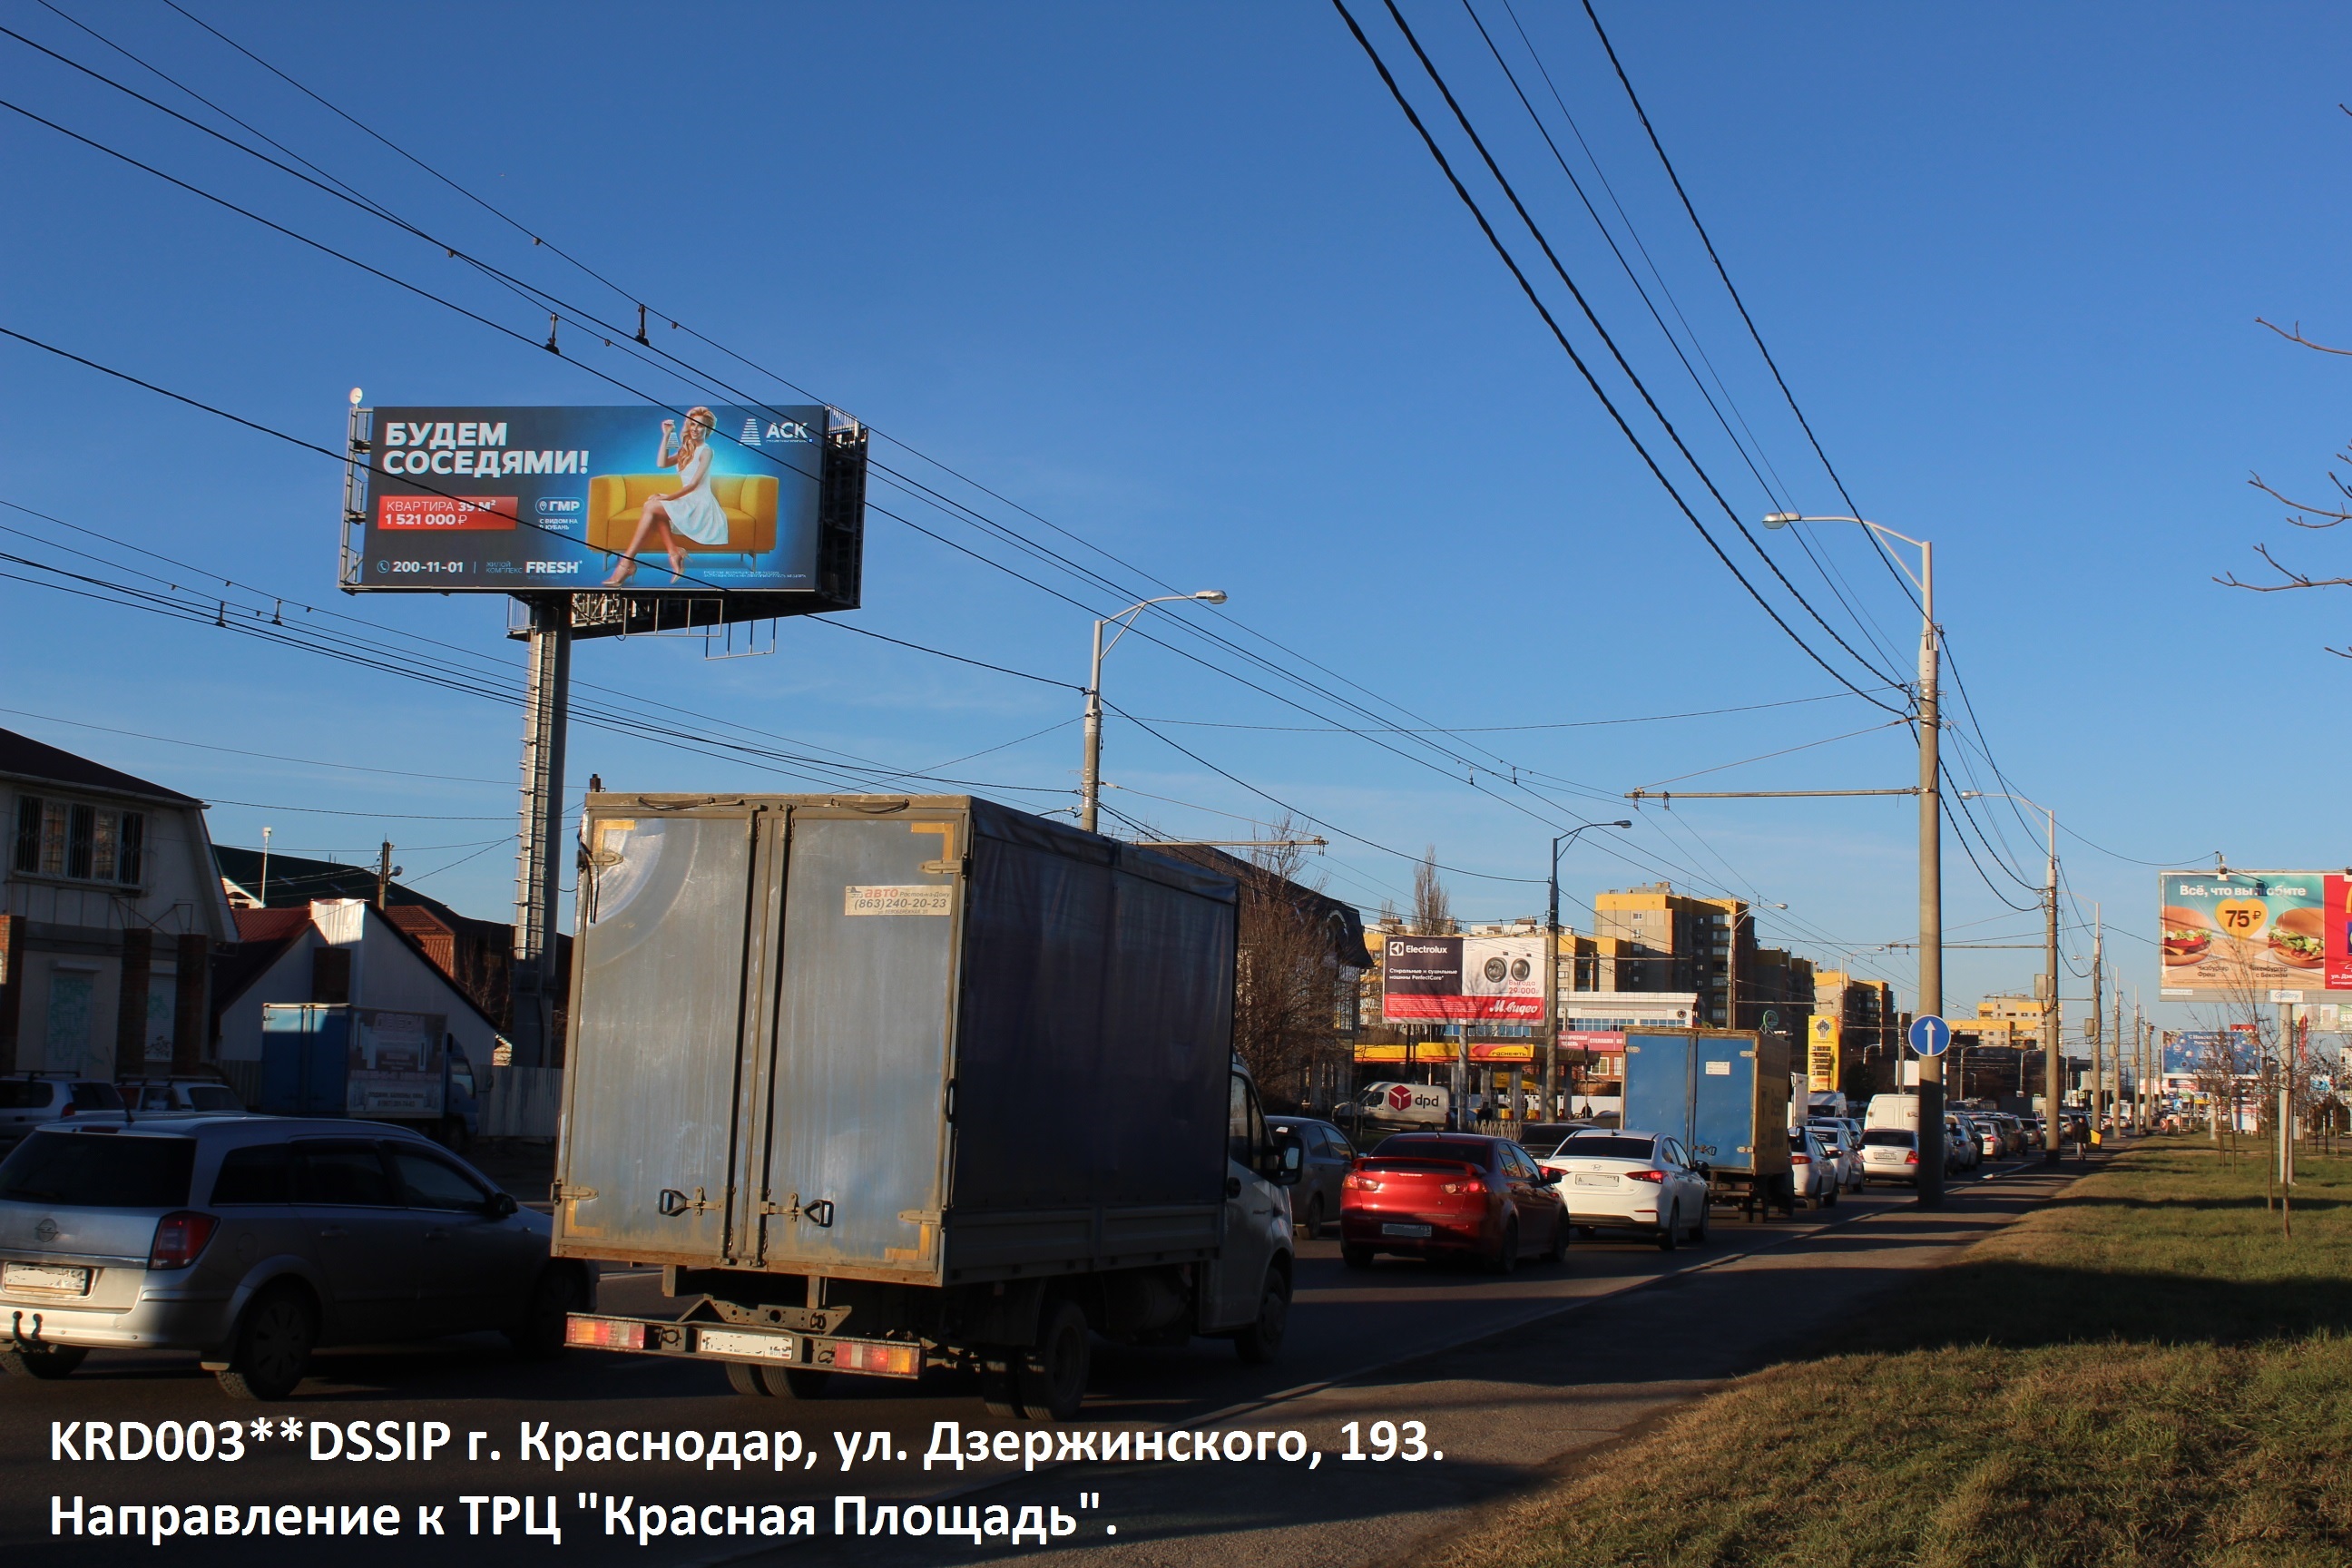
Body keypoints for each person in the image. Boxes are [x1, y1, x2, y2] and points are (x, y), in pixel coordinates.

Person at [602, 407, 729, 584]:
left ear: (708, 429)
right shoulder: (687, 448)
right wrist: (667, 434)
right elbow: (661, 463)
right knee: (653, 505)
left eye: (700, 426)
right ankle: (673, 552)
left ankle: (627, 562)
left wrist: (668, 498)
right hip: (687, 499)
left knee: (652, 506)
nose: (695, 429)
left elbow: (694, 484)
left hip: (700, 503)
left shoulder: (706, 451)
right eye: (692, 424)